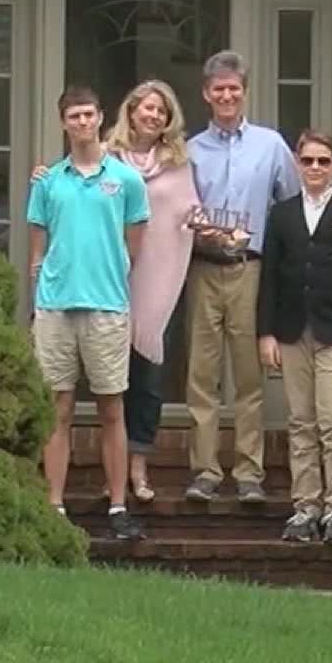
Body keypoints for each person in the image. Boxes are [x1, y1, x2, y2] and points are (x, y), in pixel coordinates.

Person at [180, 51, 332, 505]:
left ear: (244, 92)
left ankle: (249, 472)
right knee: (201, 376)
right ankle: (204, 471)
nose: (227, 95)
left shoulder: (270, 147)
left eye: (234, 88)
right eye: (219, 89)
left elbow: (302, 200)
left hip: (251, 268)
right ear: (207, 94)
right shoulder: (189, 151)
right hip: (202, 268)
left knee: (248, 377)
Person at [25, 85, 150, 541]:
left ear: (101, 118)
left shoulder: (126, 180)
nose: (82, 123)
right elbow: (37, 250)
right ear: (63, 123)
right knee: (56, 408)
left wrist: (109, 277)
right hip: (56, 307)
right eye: (73, 116)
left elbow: (133, 245)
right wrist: (39, 296)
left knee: (112, 408)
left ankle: (118, 506)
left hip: (107, 306)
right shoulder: (48, 181)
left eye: (88, 115)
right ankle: (53, 506)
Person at [257, 130, 332, 546]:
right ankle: (305, 507)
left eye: (323, 161)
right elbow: (270, 276)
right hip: (292, 330)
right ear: (296, 162)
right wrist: (266, 332)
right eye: (307, 160)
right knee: (300, 422)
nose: (314, 168)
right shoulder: (282, 214)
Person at [106, 79, 201, 501]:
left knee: (146, 377)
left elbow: (188, 211)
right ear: (130, 111)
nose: (153, 115)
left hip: (156, 279)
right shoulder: (106, 158)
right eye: (146, 108)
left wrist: (200, 222)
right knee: (107, 376)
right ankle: (107, 469)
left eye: (160, 111)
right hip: (108, 277)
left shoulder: (178, 162)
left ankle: (139, 466)